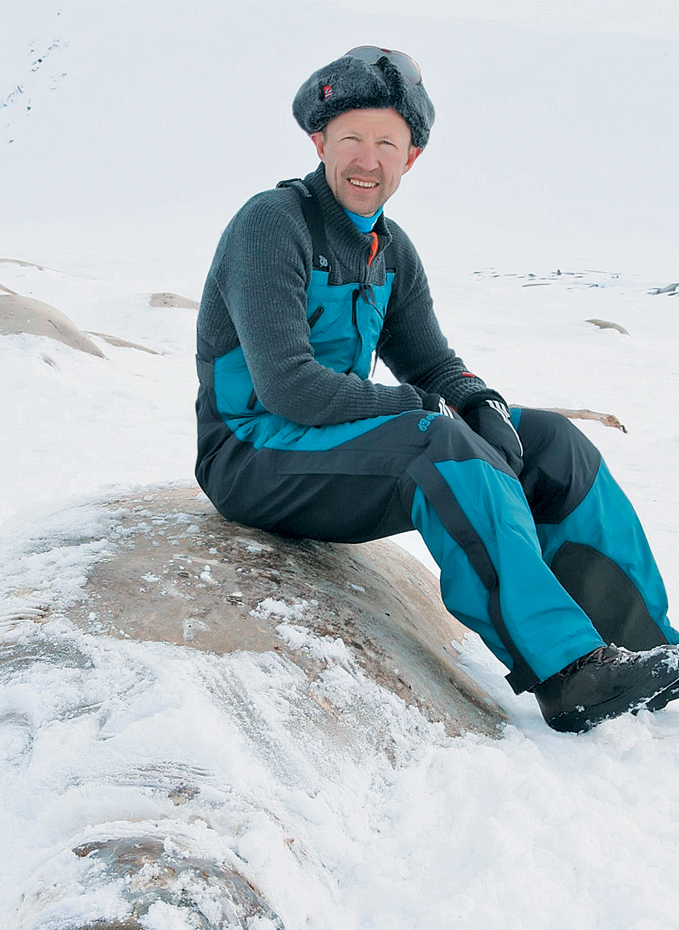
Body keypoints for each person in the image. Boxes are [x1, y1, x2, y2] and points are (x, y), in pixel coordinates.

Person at [194, 46, 679, 732]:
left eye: (387, 142)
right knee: (437, 446)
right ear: (318, 140)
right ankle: (570, 673)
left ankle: (653, 648)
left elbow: (431, 361)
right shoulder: (273, 224)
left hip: (328, 448)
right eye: (352, 138)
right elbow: (291, 390)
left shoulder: (391, 252)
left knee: (551, 443)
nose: (368, 159)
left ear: (410, 157)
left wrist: (482, 402)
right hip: (251, 455)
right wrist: (429, 410)